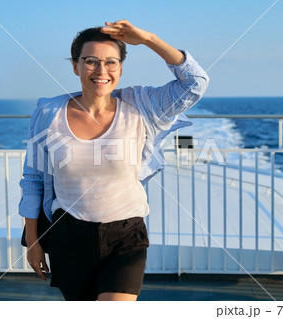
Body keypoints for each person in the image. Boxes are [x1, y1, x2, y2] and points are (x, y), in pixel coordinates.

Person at [18, 20, 209, 301]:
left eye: (111, 62)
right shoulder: (49, 113)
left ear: (120, 67)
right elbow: (33, 179)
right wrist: (33, 241)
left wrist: (147, 39)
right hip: (68, 236)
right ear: (75, 65)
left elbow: (195, 82)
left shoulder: (142, 106)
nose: (101, 71)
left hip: (126, 236)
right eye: (91, 61)